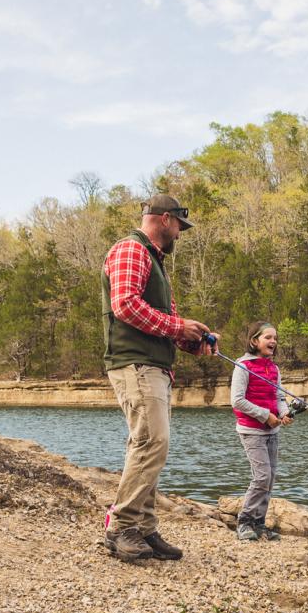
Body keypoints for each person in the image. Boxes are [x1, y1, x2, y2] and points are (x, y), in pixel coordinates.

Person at [102, 193, 214, 562]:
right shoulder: (131, 249)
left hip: (154, 367)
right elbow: (125, 305)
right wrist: (178, 325)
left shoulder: (157, 262)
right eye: (180, 226)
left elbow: (164, 323)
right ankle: (122, 528)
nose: (180, 234)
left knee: (150, 445)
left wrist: (192, 340)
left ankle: (145, 529)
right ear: (165, 219)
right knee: (151, 442)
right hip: (135, 364)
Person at [229, 321, 294, 541]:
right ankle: (244, 521)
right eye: (268, 337)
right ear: (254, 341)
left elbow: (279, 397)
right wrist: (266, 415)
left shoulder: (274, 368)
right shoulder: (242, 366)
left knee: (270, 477)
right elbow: (237, 401)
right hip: (251, 431)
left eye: (275, 338)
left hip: (272, 433)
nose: (273, 341)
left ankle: (259, 523)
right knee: (262, 476)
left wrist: (284, 413)